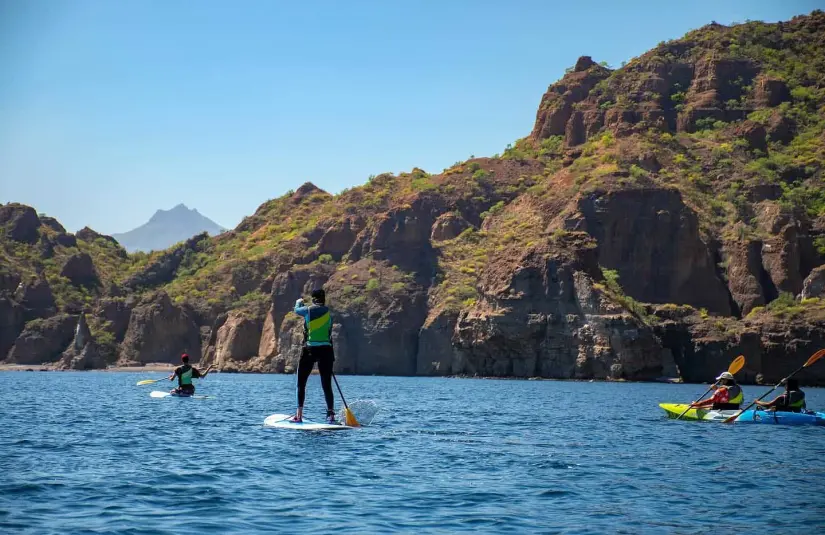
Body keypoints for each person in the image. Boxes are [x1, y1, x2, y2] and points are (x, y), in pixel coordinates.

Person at [291, 288, 337, 423]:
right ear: (323, 299)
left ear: (314, 299)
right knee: (327, 385)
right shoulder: (329, 313)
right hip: (326, 351)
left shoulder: (308, 310)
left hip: (310, 349)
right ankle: (331, 416)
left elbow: (297, 309)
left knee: (301, 384)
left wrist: (299, 300)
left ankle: (298, 416)